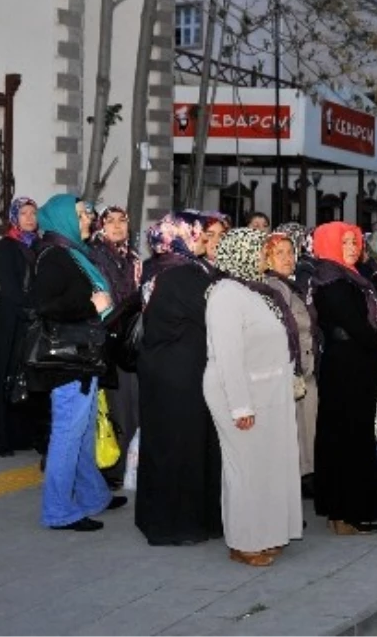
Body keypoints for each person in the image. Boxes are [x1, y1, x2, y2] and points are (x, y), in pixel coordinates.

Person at [204, 229, 303, 566]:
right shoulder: (225, 294)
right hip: (239, 392)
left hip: (268, 390)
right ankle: (244, 542)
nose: (265, 256)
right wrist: (240, 406)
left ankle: (267, 534)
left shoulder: (253, 290)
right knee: (245, 468)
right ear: (242, 253)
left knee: (267, 467)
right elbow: (228, 356)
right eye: (260, 250)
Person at [31, 194, 126, 531]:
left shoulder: (71, 253)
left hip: (84, 355)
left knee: (83, 432)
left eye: (87, 214)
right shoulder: (54, 256)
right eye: (82, 215)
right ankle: (57, 510)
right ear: (63, 219)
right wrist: (92, 304)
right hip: (68, 360)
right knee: (68, 435)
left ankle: (92, 495)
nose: (89, 219)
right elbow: (46, 305)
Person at [135, 212, 224, 546]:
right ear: (179, 236)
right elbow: (214, 314)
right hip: (182, 373)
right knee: (184, 446)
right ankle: (182, 524)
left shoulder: (157, 267)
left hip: (159, 367)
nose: (202, 238)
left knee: (162, 444)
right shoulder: (185, 274)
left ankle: (156, 519)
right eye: (197, 232)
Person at [311, 222, 377, 536]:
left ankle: (345, 510)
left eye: (355, 241)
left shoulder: (348, 277)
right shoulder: (332, 280)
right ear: (329, 244)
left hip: (354, 361)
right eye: (344, 242)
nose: (352, 247)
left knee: (351, 437)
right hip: (346, 363)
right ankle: (345, 511)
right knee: (347, 437)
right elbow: (357, 324)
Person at [0, 196, 46, 458]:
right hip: (13, 321)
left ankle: (29, 434)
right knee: (9, 376)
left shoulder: (41, 246)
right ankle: (3, 437)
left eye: (33, 213)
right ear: (14, 217)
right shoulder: (6, 246)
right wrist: (32, 307)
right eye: (24, 213)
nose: (30, 218)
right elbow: (9, 288)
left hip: (37, 320)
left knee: (32, 379)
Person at [87, 206, 142, 488]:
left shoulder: (133, 257)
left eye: (123, 220)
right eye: (111, 221)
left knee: (132, 405)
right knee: (113, 407)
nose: (118, 226)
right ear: (101, 225)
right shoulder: (95, 256)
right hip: (106, 339)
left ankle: (125, 467)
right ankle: (110, 470)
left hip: (130, 341)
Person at [262, 231, 320, 497]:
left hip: (305, 373)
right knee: (291, 434)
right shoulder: (274, 287)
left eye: (290, 252)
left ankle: (302, 482)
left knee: (306, 430)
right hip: (289, 374)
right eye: (279, 253)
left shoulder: (292, 285)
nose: (287, 258)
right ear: (266, 258)